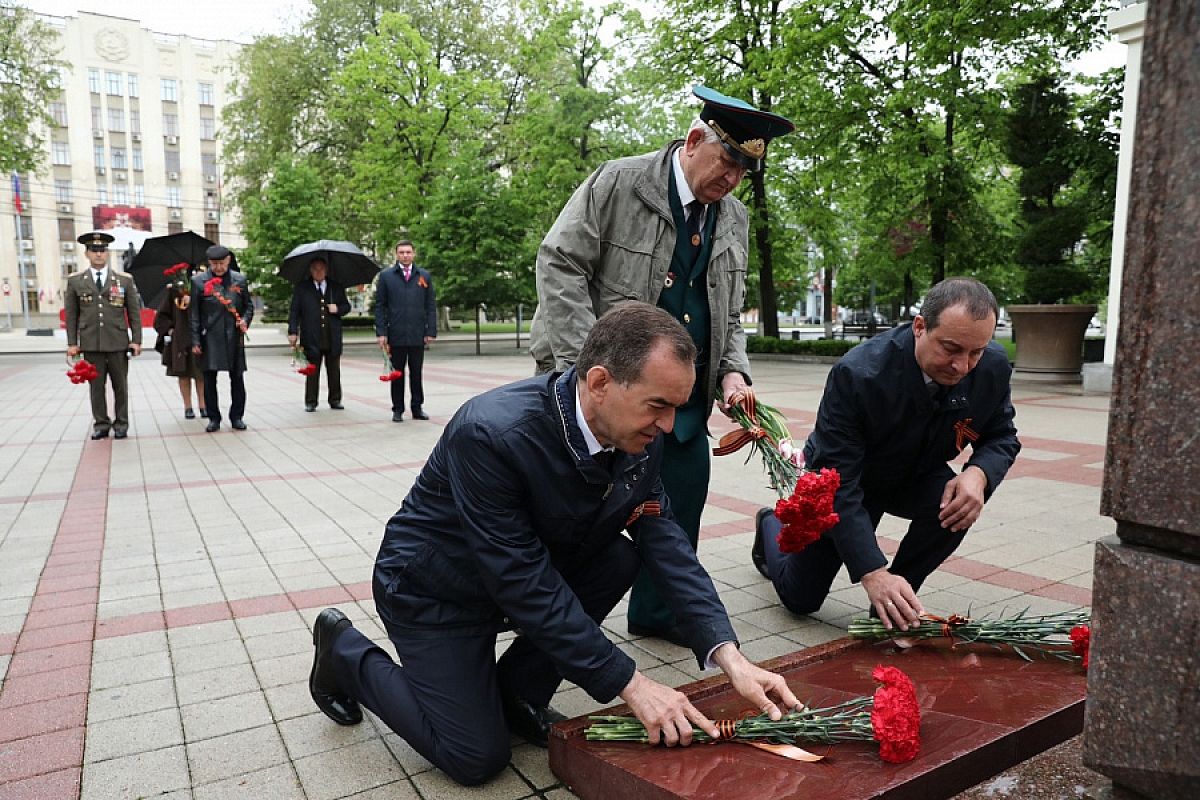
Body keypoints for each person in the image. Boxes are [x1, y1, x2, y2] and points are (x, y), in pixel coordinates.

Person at [308, 303, 800, 786]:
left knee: (617, 559)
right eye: (658, 406)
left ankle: (515, 691)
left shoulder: (642, 436)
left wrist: (730, 657)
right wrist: (633, 684)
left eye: (677, 407)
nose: (669, 426)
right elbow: (522, 579)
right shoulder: (491, 434)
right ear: (601, 382)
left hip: (527, 570)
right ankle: (345, 654)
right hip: (437, 589)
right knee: (475, 757)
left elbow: (665, 541)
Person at [529, 85, 795, 646]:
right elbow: (559, 263)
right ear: (695, 140)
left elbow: (728, 310)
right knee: (576, 514)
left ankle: (658, 612)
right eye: (728, 162)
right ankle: (550, 630)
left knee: (683, 498)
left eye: (745, 171)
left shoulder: (734, 219)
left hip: (682, 400)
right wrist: (587, 370)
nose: (732, 179)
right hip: (605, 392)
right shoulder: (620, 182)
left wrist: (732, 372)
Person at [752, 278, 1022, 631]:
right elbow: (841, 484)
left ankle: (895, 602)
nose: (963, 366)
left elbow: (1002, 435)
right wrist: (872, 572)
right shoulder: (857, 375)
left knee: (956, 505)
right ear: (920, 327)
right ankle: (769, 524)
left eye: (976, 352)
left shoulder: (992, 368)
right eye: (951, 349)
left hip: (914, 474)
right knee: (799, 599)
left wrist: (978, 474)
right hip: (845, 481)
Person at [64, 231, 143, 439]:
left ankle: (121, 423)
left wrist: (136, 340)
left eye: (102, 250)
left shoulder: (124, 280)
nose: (99, 254)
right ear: (87, 253)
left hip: (117, 342)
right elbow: (71, 315)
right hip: (91, 343)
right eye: (94, 250)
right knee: (96, 387)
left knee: (120, 386)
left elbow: (134, 313)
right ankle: (101, 423)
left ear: (107, 253)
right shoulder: (76, 281)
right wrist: (72, 343)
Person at [189, 245, 253, 432]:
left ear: (228, 261)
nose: (218, 268)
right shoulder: (199, 281)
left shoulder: (239, 280)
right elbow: (194, 314)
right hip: (210, 337)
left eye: (222, 263)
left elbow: (248, 306)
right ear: (209, 263)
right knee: (209, 379)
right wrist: (195, 341)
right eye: (214, 264)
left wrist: (245, 321)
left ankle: (237, 417)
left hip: (233, 336)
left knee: (238, 378)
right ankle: (213, 418)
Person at [374, 240, 436, 422]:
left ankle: (417, 407)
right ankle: (398, 409)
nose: (405, 255)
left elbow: (430, 305)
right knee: (397, 373)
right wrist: (381, 332)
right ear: (396, 254)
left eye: (408, 252)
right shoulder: (386, 276)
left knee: (416, 372)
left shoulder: (423, 276)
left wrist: (430, 330)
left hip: (417, 333)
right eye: (401, 252)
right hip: (396, 333)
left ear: (414, 254)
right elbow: (380, 306)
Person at [288, 257, 351, 412]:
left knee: (334, 370)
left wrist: (338, 309)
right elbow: (294, 311)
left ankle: (335, 399)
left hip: (332, 335)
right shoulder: (302, 288)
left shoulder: (335, 287)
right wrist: (293, 331)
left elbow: (346, 306)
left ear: (326, 270)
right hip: (311, 336)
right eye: (315, 269)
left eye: (321, 269)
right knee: (312, 371)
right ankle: (311, 401)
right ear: (310, 270)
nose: (318, 272)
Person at [153, 265, 206, 419]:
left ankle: (203, 405)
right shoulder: (174, 291)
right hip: (180, 338)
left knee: (201, 374)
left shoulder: (205, 289)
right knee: (183, 373)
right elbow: (161, 316)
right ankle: (188, 406)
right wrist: (171, 331)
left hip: (199, 336)